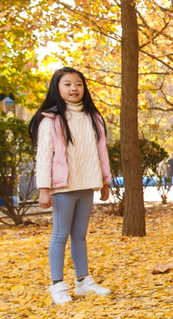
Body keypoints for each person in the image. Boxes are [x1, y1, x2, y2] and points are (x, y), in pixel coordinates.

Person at [28, 67, 112, 305]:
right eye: (67, 84)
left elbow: (101, 152)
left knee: (79, 235)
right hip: (63, 187)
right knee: (60, 235)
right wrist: (43, 188)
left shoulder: (93, 118)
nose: (74, 88)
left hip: (87, 184)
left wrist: (105, 181)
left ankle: (83, 281)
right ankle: (57, 285)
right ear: (57, 88)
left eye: (78, 84)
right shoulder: (51, 119)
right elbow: (44, 155)